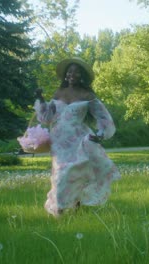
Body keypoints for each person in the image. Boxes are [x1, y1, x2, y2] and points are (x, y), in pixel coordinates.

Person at [34, 57, 121, 217]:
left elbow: (103, 117)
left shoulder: (87, 95)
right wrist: (40, 99)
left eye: (77, 72)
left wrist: (101, 134)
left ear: (82, 76)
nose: (72, 74)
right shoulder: (59, 92)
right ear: (66, 74)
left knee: (77, 173)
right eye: (70, 71)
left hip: (79, 140)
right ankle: (59, 212)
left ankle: (76, 206)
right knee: (59, 175)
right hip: (58, 142)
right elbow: (47, 117)